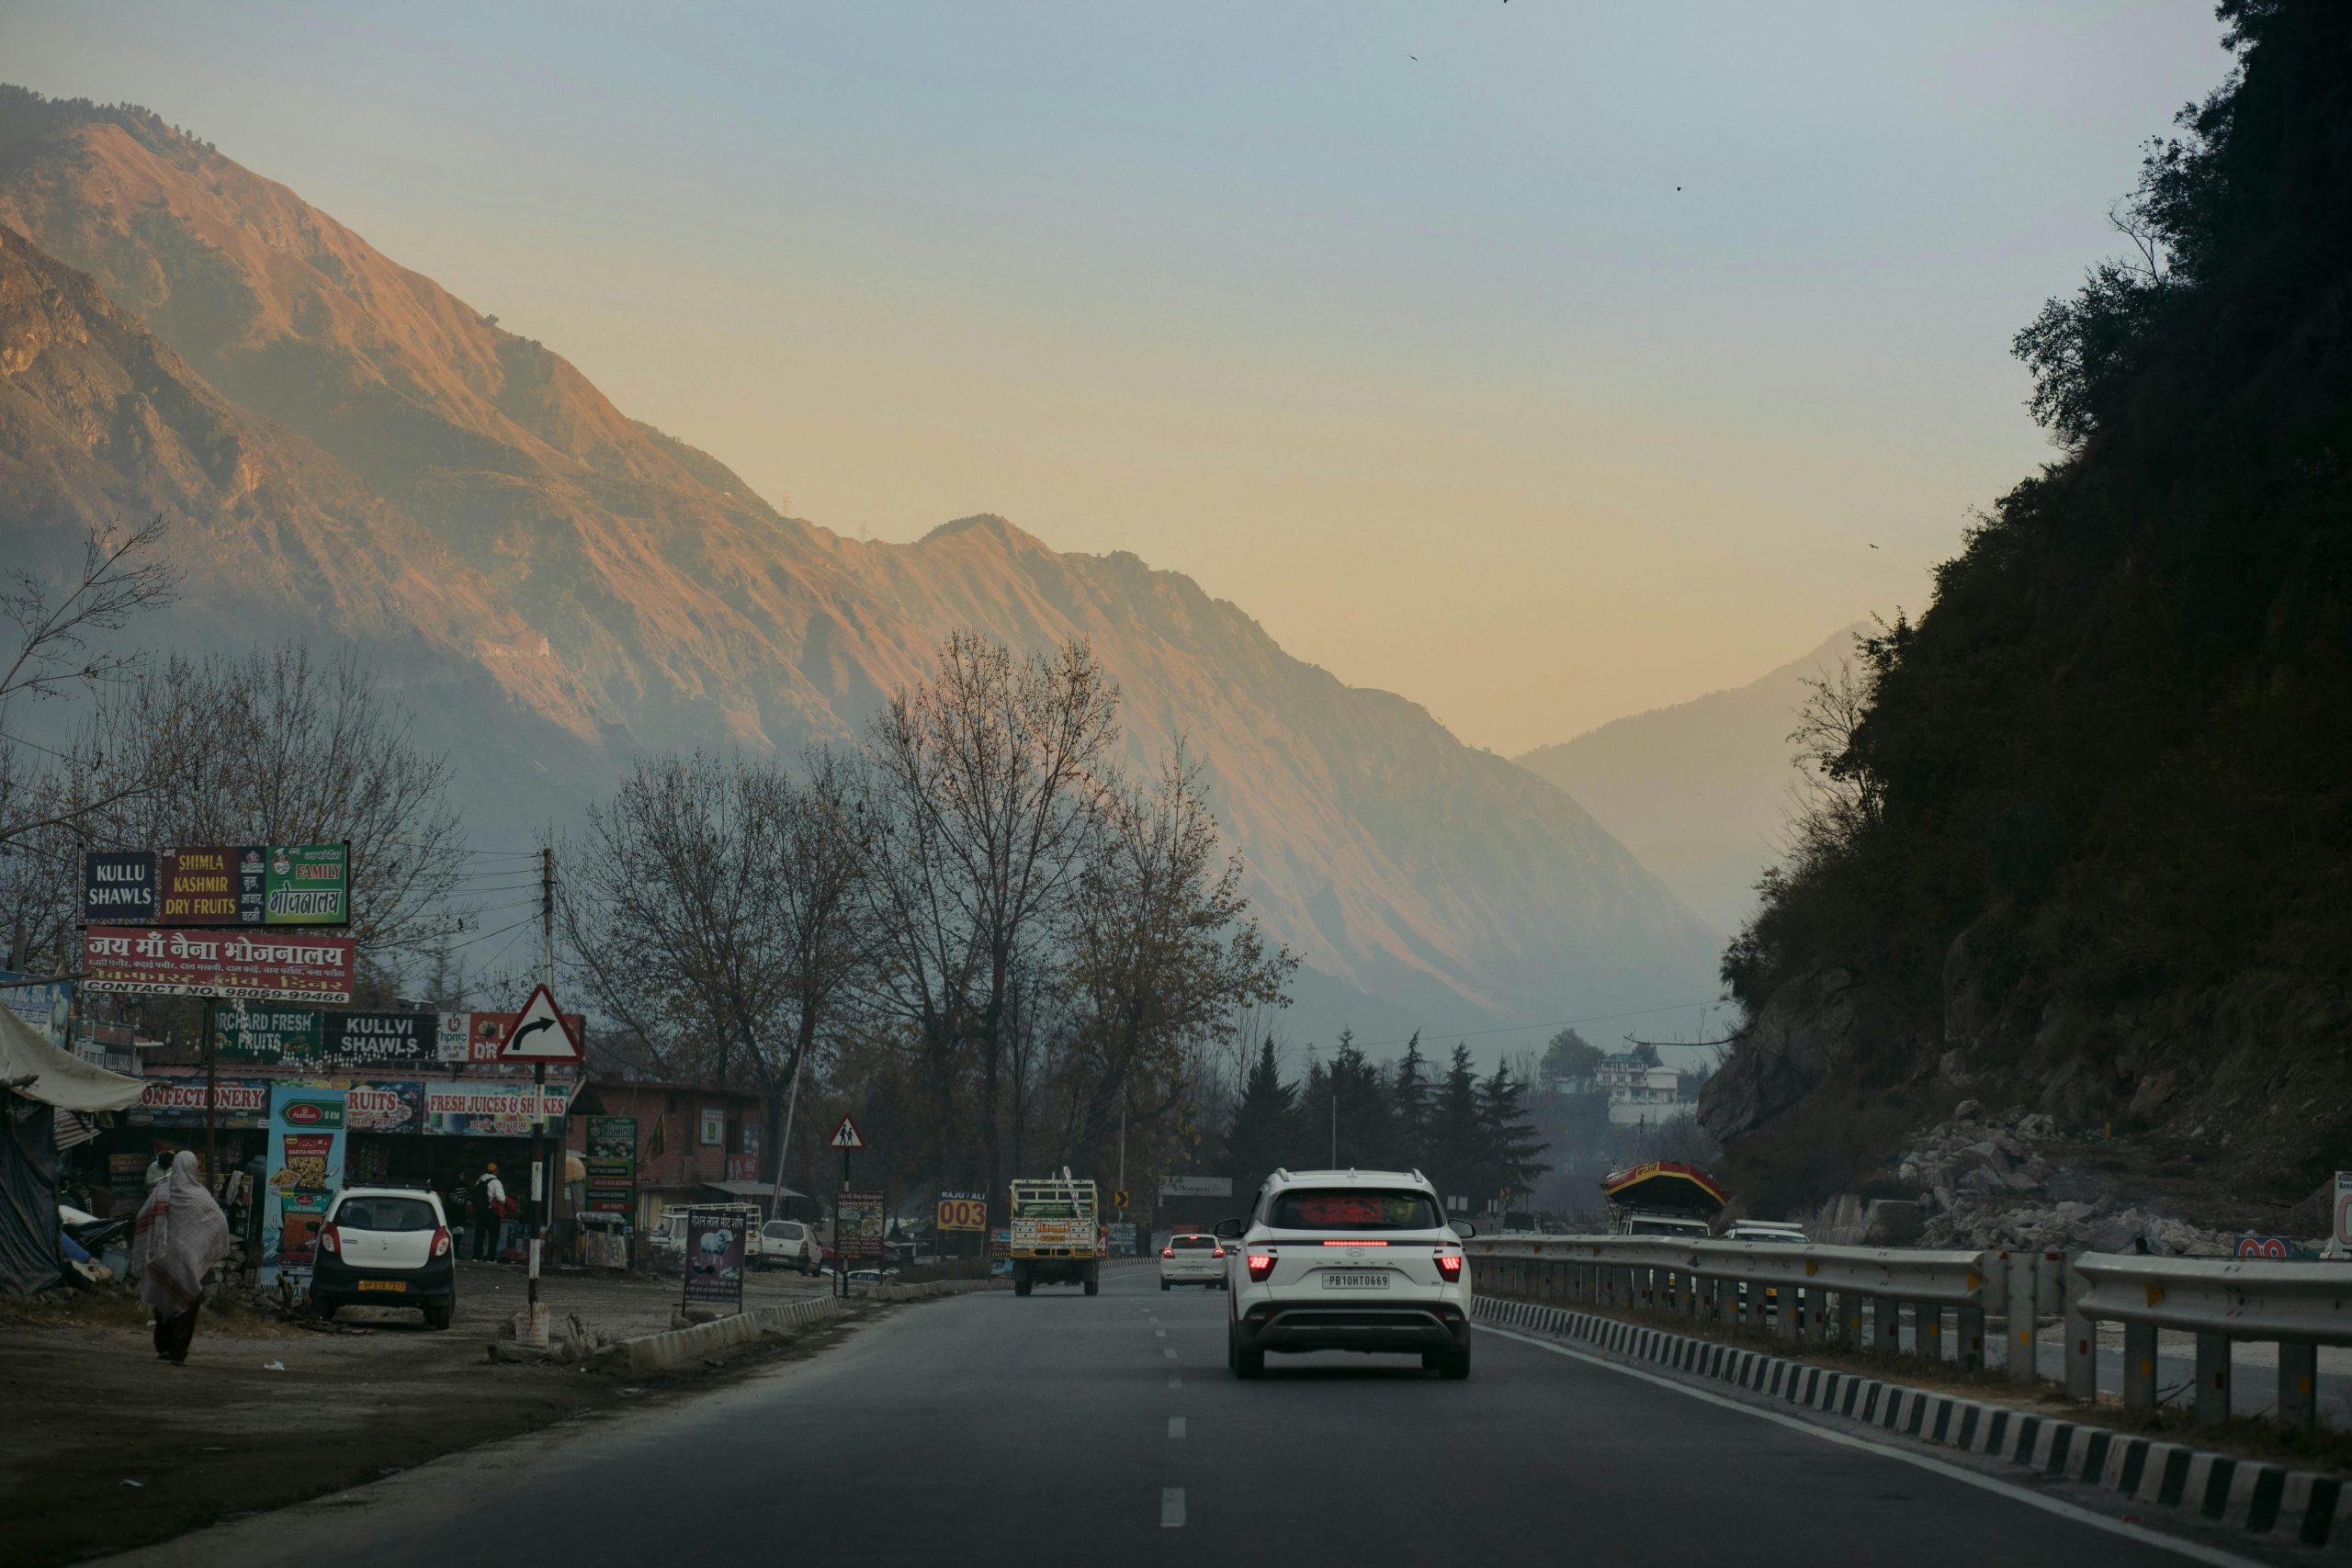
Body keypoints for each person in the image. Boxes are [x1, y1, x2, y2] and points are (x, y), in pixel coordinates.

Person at [130, 1151, 231, 1365]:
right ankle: (179, 1350)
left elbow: (142, 1216)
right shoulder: (199, 1195)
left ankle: (163, 1347)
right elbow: (218, 1221)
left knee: (163, 1297)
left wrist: (153, 1239)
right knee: (189, 1299)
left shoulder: (162, 1190)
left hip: (162, 1256)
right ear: (194, 1168)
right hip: (186, 1261)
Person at [470, 1165, 505, 1261]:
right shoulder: (496, 1182)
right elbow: (501, 1198)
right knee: (493, 1236)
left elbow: (474, 1195)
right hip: (492, 1212)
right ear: (495, 1171)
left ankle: (476, 1256)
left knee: (479, 1235)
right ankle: (490, 1257)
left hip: (481, 1211)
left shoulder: (480, 1180)